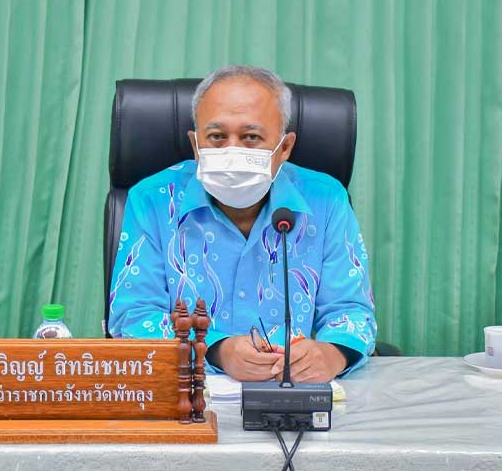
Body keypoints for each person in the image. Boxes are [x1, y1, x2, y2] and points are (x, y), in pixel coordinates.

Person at [108, 65, 376, 382]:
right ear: (196, 146)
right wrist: (217, 350)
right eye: (217, 137)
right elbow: (132, 317)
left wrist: (332, 354)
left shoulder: (326, 200)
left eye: (251, 137)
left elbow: (352, 312)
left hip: (289, 390)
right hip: (187, 391)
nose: (232, 150)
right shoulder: (151, 200)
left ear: (284, 148)